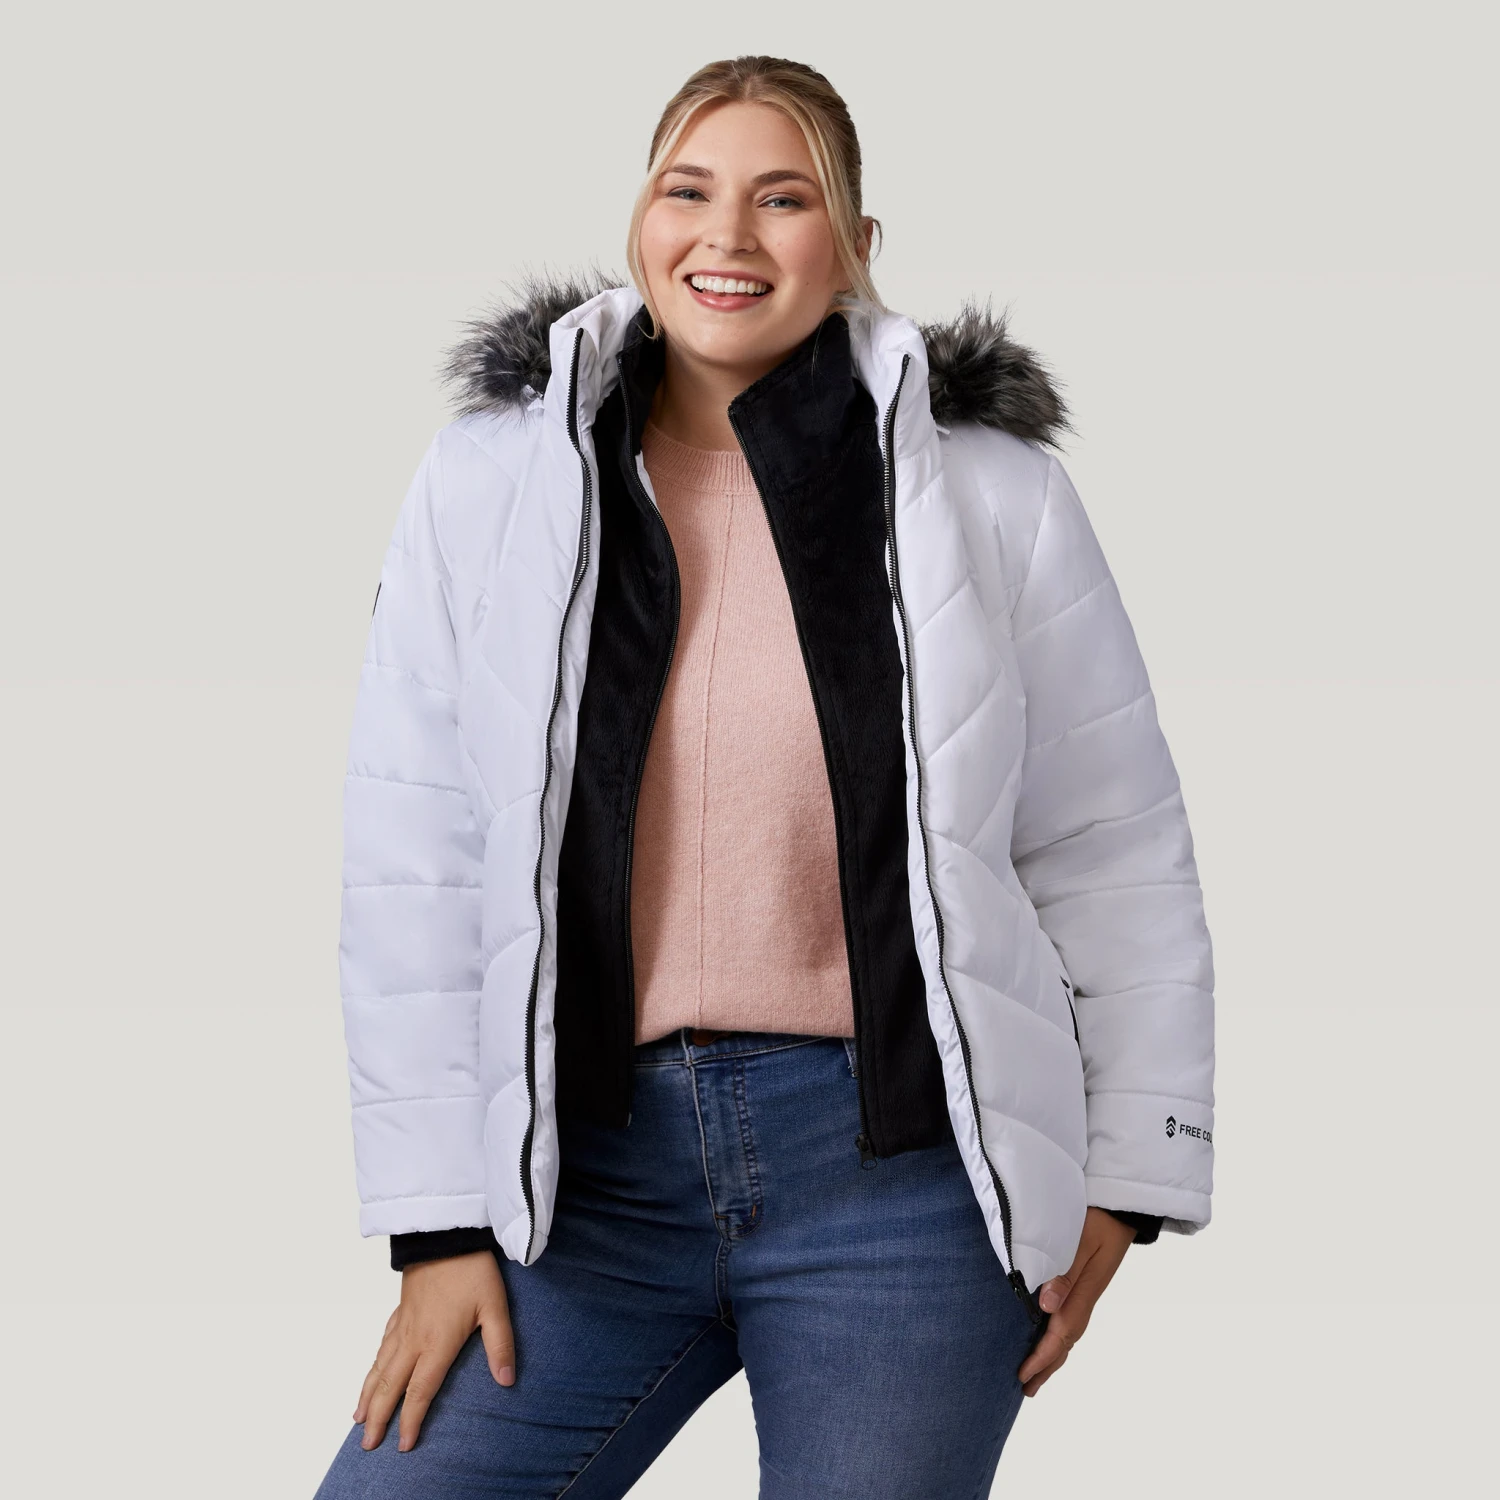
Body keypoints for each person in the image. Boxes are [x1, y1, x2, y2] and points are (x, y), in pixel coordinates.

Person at [315, 54, 1215, 1500]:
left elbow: (1110, 841)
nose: (727, 234)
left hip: (904, 1190)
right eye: (689, 190)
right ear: (640, 221)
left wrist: (1131, 1178)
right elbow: (415, 859)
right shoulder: (488, 483)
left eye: (783, 199)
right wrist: (436, 1227)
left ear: (854, 248)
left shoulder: (990, 492)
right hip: (581, 1184)